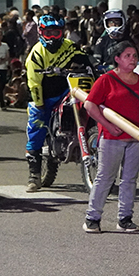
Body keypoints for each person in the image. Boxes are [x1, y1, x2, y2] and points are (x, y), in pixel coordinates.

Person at [83, 41, 139, 233]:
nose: (133, 59)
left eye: (134, 55)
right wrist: (109, 125)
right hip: (112, 137)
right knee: (105, 178)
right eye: (127, 56)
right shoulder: (106, 80)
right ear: (117, 59)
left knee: (129, 179)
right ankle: (92, 217)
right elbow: (89, 105)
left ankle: (125, 218)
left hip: (138, 138)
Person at [24, 13, 92, 192]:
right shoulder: (36, 54)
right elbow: (34, 83)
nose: (53, 37)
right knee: (36, 126)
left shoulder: (71, 47)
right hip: (44, 95)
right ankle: (34, 175)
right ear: (41, 32)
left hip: (67, 90)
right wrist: (39, 104)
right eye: (49, 33)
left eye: (57, 32)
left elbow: (86, 62)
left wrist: (92, 65)